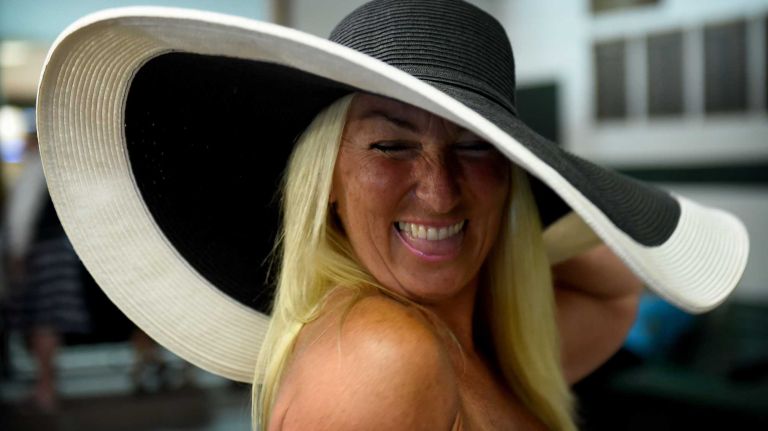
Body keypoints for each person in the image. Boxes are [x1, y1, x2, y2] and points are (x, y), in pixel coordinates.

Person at [33, 1, 749, 430]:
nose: (438, 191)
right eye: (390, 144)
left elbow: (617, 285)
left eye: (474, 148)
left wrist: (518, 225)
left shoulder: (478, 347)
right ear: (331, 180)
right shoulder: (384, 354)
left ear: (513, 179)